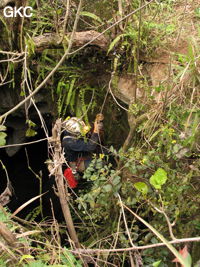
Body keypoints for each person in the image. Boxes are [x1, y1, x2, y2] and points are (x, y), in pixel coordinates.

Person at [61, 115, 103, 188]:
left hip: (81, 155)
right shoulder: (70, 142)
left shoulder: (69, 130)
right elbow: (90, 147)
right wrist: (96, 131)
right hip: (78, 164)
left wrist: (96, 122)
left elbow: (83, 130)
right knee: (100, 163)